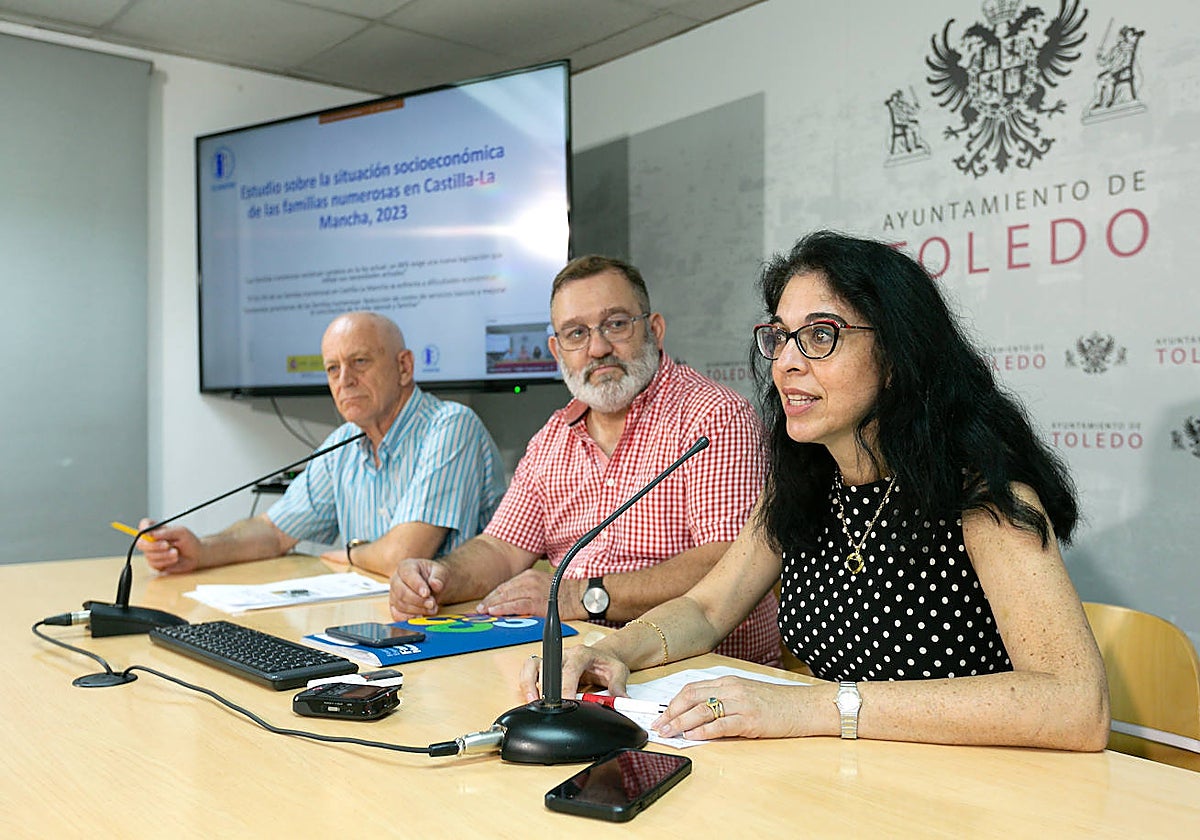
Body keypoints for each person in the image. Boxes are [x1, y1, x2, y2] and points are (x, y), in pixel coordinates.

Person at [522, 232, 1110, 752]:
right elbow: (705, 609)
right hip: (842, 779)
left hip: (975, 793)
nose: (786, 365)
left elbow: (1074, 704)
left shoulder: (981, 494)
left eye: (820, 336)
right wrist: (616, 652)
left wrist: (814, 708)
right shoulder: (805, 483)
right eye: (780, 338)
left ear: (899, 354)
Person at [388, 255, 780, 665]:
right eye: (577, 333)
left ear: (655, 329)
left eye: (616, 323)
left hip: (696, 674)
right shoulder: (554, 436)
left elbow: (727, 563)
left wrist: (582, 596)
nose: (598, 348)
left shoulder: (714, 416)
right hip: (575, 663)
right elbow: (501, 548)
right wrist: (439, 578)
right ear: (557, 350)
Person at [137, 311, 506, 577]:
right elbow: (273, 531)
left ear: (404, 367)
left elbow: (402, 557)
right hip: (373, 626)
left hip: (457, 633)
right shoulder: (343, 442)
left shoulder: (451, 427)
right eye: (333, 369)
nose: (344, 380)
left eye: (359, 362)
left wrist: (350, 553)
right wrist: (201, 549)